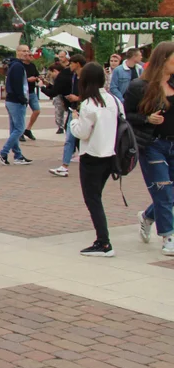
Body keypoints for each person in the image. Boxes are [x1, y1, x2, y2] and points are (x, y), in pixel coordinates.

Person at [126, 41, 174, 256]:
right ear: (164, 59)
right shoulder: (140, 86)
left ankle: (147, 216)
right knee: (162, 190)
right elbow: (127, 115)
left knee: (170, 192)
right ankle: (168, 236)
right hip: (153, 145)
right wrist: (147, 118)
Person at [71, 62, 121, 257]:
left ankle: (104, 242)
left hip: (92, 156)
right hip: (111, 155)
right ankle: (103, 239)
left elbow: (82, 132)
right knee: (95, 197)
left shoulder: (88, 104)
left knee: (92, 199)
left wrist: (73, 120)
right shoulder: (114, 100)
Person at [49, 54, 86, 178]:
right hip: (74, 109)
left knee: (84, 137)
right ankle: (64, 166)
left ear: (78, 64)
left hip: (85, 111)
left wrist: (78, 98)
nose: (70, 66)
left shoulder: (86, 77)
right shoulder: (74, 76)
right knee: (70, 138)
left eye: (72, 63)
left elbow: (93, 94)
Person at [0, 45, 32, 166]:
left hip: (12, 100)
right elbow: (17, 85)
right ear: (18, 52)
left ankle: (17, 155)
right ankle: (3, 152)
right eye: (23, 51)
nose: (26, 53)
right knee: (19, 129)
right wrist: (22, 99)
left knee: (14, 129)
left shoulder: (15, 65)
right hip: (16, 101)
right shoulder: (18, 66)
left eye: (27, 51)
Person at [22, 50, 41, 140]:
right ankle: (20, 131)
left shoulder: (32, 66)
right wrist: (28, 79)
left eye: (31, 55)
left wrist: (37, 78)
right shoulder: (20, 66)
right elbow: (19, 78)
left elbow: (37, 75)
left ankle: (28, 129)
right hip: (24, 92)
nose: (31, 56)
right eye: (29, 55)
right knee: (22, 113)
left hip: (32, 92)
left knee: (37, 110)